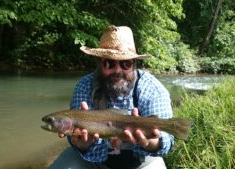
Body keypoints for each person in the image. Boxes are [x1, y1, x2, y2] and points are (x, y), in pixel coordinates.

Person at [48, 25, 174, 169]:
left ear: (134, 64)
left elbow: (168, 142)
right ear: (99, 63)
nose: (117, 70)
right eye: (109, 63)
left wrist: (150, 143)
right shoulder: (85, 86)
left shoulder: (152, 89)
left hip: (143, 161)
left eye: (126, 63)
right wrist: (82, 145)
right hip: (93, 161)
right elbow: (75, 141)